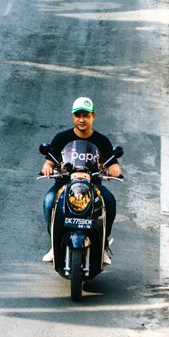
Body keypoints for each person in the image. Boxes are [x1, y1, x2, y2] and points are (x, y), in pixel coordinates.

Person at [39, 97, 122, 263]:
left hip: (93, 186)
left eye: (86, 115)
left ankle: (103, 245)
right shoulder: (62, 138)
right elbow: (49, 161)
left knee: (109, 202)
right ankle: (55, 245)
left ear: (93, 116)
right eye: (78, 115)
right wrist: (47, 168)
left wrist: (114, 170)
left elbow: (114, 165)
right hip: (64, 184)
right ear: (73, 117)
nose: (81, 119)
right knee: (49, 201)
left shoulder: (102, 141)